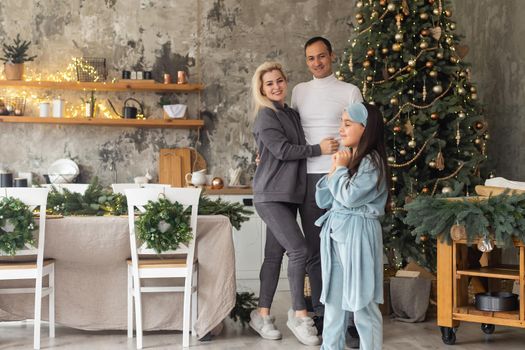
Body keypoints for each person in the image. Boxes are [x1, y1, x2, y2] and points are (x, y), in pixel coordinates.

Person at [249, 61, 339, 346]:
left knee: (274, 256)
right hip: (270, 195)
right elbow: (283, 150)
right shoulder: (266, 115)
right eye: (269, 83)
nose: (275, 86)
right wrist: (319, 150)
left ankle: (261, 314)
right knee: (299, 250)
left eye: (279, 80)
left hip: (288, 195)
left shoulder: (290, 113)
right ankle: (299, 313)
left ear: (285, 82)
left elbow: (270, 148)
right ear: (261, 89)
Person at [291, 36, 363, 345]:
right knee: (315, 251)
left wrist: (346, 163)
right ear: (306, 61)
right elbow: (289, 130)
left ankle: (350, 317)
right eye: (311, 58)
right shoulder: (299, 92)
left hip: (340, 176)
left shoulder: (349, 91)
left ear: (332, 56)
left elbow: (360, 132)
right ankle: (322, 312)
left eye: (321, 56)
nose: (317, 62)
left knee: (345, 249)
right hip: (307, 179)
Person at [315, 102, 389, 350]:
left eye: (348, 124)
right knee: (334, 304)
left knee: (362, 302)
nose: (341, 129)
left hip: (359, 234)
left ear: (366, 128)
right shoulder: (348, 159)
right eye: (341, 123)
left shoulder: (372, 161)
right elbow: (323, 199)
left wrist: (341, 170)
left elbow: (349, 197)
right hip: (336, 232)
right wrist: (336, 168)